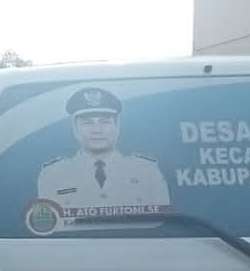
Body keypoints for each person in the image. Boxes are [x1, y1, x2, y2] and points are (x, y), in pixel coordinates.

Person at [36, 87, 170, 213]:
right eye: (87, 123)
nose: (97, 130)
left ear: (117, 127)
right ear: (75, 129)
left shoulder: (147, 171)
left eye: (105, 122)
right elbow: (49, 228)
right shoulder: (52, 175)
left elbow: (164, 226)